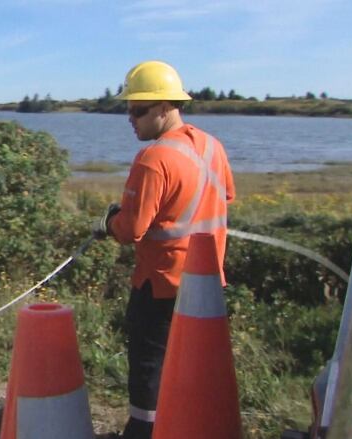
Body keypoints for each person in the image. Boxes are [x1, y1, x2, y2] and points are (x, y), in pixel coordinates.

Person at [92, 60, 235, 439]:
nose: (130, 118)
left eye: (138, 110)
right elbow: (226, 196)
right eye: (128, 109)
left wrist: (107, 222)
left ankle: (142, 432)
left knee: (149, 368)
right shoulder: (212, 146)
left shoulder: (153, 159)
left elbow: (130, 230)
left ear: (166, 107)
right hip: (207, 286)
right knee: (195, 369)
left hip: (160, 286)